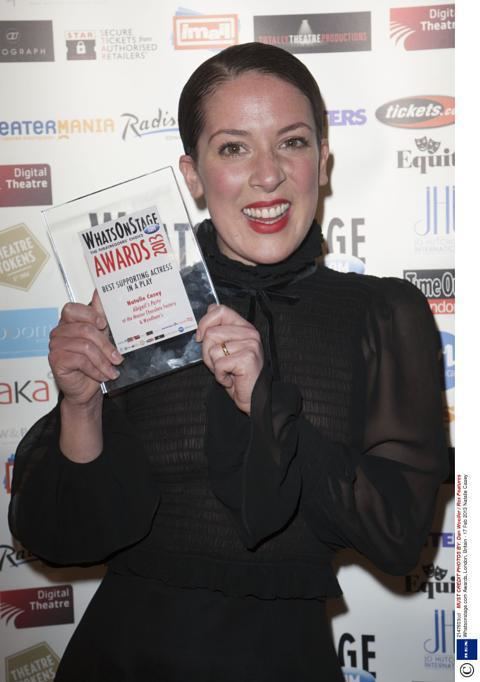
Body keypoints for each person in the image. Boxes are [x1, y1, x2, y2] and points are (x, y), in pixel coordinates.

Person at [9, 42, 448, 681]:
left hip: (284, 662)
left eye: (292, 143)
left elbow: (397, 533)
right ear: (192, 174)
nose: (266, 175)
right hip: (123, 659)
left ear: (322, 161)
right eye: (234, 147)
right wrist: (81, 406)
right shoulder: (141, 299)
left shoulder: (382, 313)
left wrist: (268, 403)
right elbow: (62, 538)